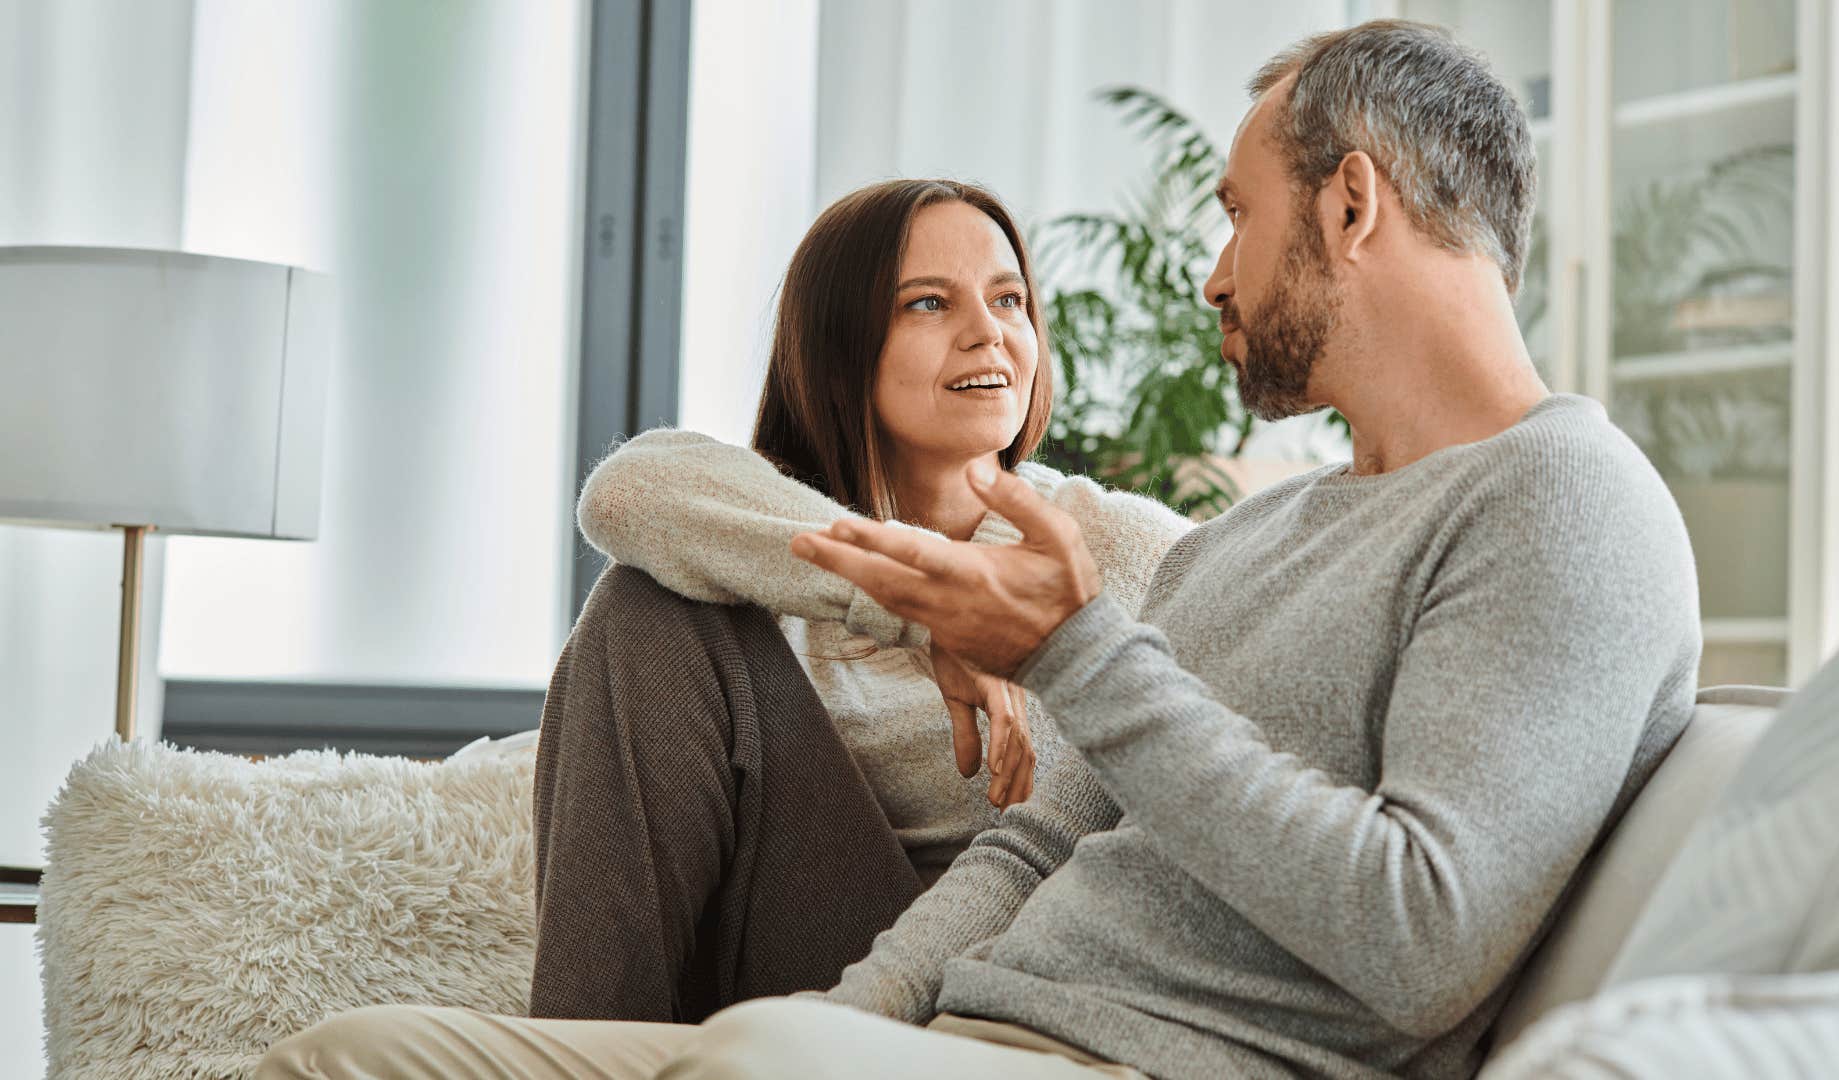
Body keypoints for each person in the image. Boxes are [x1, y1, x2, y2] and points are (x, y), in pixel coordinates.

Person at [255, 18, 1701, 1080]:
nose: (1210, 273)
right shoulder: (1248, 542)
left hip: (1141, 1062)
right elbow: (1038, 844)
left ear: (1351, 203)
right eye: (928, 306)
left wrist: (1073, 652)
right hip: (958, 1024)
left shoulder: (1565, 503)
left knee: (756, 1068)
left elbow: (1420, 935)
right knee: (348, 1055)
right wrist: (861, 1014)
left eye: (1236, 217)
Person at [533, 178, 1195, 1027]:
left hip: (1019, 976)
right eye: (929, 303)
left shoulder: (1116, 544)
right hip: (801, 952)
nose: (987, 331)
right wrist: (925, 610)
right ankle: (582, 1048)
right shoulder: (767, 528)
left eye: (1010, 300)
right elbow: (624, 494)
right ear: (841, 345)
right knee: (644, 607)